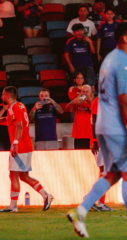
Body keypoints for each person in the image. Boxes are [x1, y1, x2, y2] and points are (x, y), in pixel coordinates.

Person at [67, 22, 127, 238]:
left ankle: (81, 211)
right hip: (114, 124)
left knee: (112, 174)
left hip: (105, 124)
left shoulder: (110, 60)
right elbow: (122, 100)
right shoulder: (121, 62)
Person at [0, 86, 53, 212]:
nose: (1, 97)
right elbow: (20, 121)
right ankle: (45, 195)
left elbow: (19, 126)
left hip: (20, 146)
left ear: (7, 96)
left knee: (13, 175)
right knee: (24, 176)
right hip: (26, 145)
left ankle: (13, 206)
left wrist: (15, 143)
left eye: (3, 95)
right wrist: (4, 120)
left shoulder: (13, 108)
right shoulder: (20, 105)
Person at [90, 81, 114, 211]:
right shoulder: (98, 101)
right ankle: (96, 201)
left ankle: (97, 202)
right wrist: (94, 140)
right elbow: (94, 121)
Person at [66, 84, 93, 149]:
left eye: (87, 92)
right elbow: (68, 110)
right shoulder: (77, 102)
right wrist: (72, 102)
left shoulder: (94, 102)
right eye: (83, 91)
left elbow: (99, 112)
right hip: (79, 135)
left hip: (91, 135)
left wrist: (90, 102)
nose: (85, 93)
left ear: (91, 93)